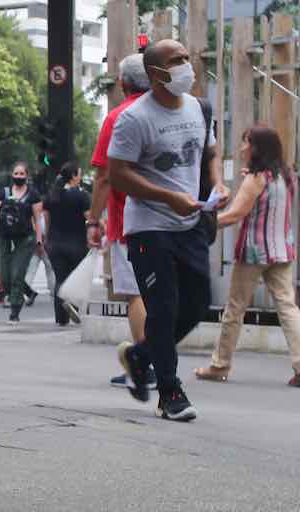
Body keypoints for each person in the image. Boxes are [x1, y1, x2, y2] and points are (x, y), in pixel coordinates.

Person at [109, 38, 228, 422]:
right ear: (155, 74)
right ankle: (170, 391)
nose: (186, 66)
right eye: (176, 61)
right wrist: (167, 196)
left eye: (186, 58)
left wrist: (218, 184)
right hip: (149, 228)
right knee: (163, 309)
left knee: (198, 303)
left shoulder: (197, 107)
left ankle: (140, 355)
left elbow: (210, 153)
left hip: (190, 222)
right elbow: (118, 175)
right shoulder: (134, 118)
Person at [194, 124, 300, 387]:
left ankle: (219, 364)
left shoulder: (255, 179)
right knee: (288, 307)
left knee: (235, 309)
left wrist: (204, 222)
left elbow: (237, 214)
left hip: (253, 250)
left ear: (257, 147)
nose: (242, 148)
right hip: (282, 249)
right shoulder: (286, 175)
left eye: (246, 142)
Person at [89, 54, 157, 389]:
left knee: (135, 294)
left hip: (127, 220)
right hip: (172, 218)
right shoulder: (172, 112)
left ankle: (147, 364)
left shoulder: (118, 117)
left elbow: (104, 177)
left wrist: (93, 219)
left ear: (122, 83)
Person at [0, 162, 43, 323]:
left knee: (18, 273)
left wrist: (39, 239)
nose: (18, 177)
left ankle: (15, 309)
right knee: (4, 275)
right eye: (16, 174)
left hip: (25, 238)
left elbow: (37, 220)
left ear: (27, 176)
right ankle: (15, 296)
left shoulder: (33, 195)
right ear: (12, 175)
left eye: (21, 174)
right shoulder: (3, 193)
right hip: (4, 236)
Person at [42, 162, 90, 326]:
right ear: (74, 176)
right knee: (75, 279)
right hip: (76, 243)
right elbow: (90, 218)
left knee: (60, 279)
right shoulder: (81, 196)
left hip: (55, 244)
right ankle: (74, 309)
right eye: (79, 174)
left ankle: (61, 318)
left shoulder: (52, 195)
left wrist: (47, 239)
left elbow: (46, 220)